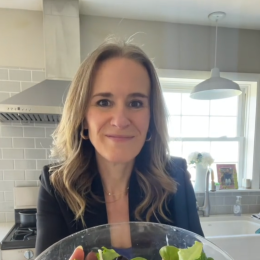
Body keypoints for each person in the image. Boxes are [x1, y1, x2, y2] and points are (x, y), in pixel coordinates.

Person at [35, 37, 203, 259]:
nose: (120, 120)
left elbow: (199, 253)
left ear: (151, 117)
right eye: (104, 102)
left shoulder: (176, 177)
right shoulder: (57, 185)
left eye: (136, 103)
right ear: (83, 117)